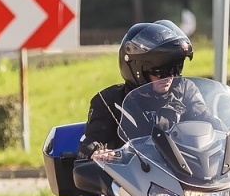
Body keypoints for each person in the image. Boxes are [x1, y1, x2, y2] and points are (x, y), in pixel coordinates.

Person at [80, 20, 197, 161]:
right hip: (132, 178)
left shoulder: (186, 91)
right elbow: (90, 143)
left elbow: (212, 124)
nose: (169, 76)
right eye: (160, 71)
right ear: (137, 70)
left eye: (175, 68)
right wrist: (96, 152)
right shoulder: (110, 101)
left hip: (184, 173)